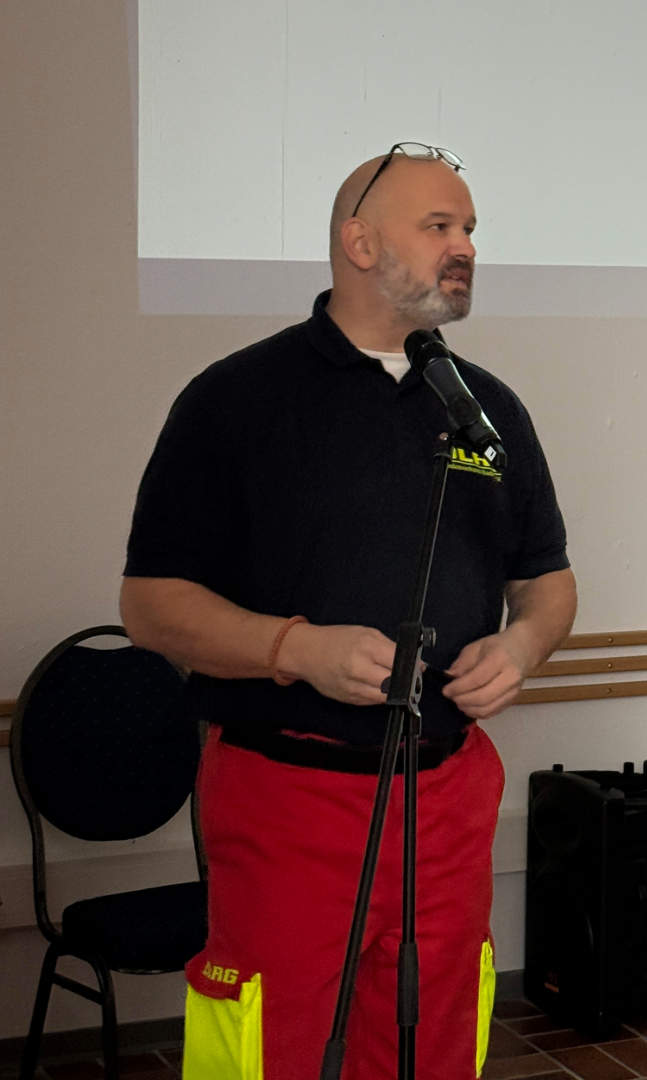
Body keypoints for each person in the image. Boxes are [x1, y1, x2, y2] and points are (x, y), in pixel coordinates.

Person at [120, 144, 577, 1080]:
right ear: (359, 242)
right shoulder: (236, 400)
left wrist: (524, 646)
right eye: (438, 226)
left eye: (470, 229)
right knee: (271, 1042)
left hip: (447, 791)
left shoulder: (486, 410)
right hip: (289, 792)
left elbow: (547, 581)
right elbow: (151, 605)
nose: (465, 247)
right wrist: (295, 649)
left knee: (437, 1028)